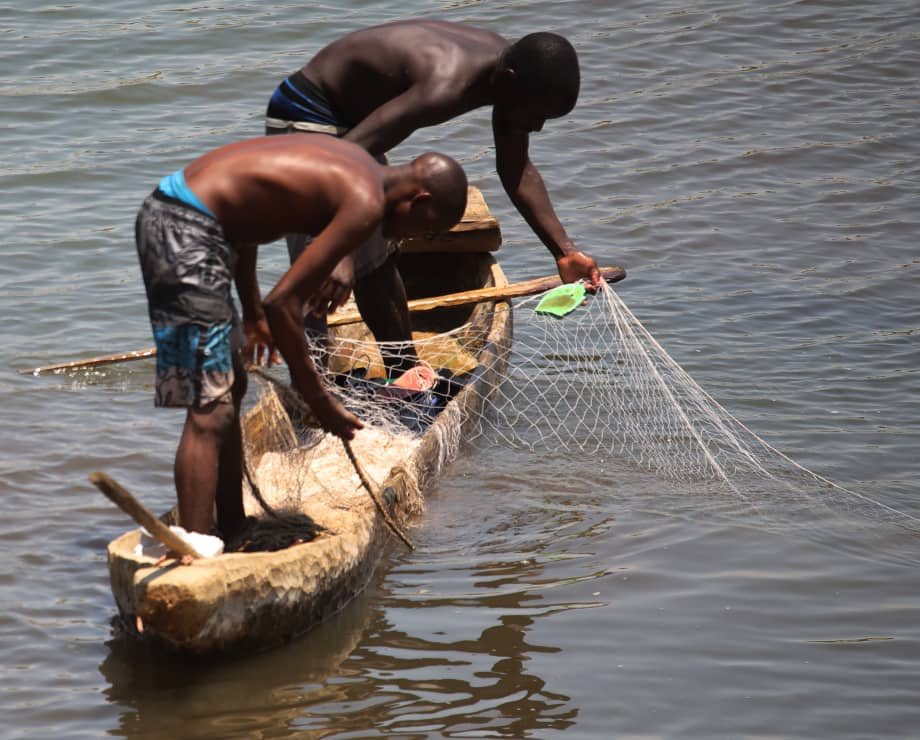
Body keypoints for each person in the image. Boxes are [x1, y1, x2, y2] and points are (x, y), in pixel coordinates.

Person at [134, 133, 468, 538]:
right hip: (184, 228)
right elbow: (285, 304)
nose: (410, 238)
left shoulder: (358, 167)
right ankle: (191, 550)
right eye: (424, 229)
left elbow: (246, 220)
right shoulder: (364, 203)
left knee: (231, 387)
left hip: (192, 222)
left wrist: (252, 312)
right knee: (210, 404)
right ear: (419, 201)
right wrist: (318, 397)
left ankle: (233, 526)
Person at [265, 20, 602, 377]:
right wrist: (341, 251)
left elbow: (516, 169)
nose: (537, 127)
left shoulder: (512, 76)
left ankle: (404, 372)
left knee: (377, 258)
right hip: (306, 113)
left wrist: (564, 251)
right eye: (535, 115)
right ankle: (312, 395)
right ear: (508, 81)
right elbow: (345, 159)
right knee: (319, 262)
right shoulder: (446, 85)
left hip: (356, 129)